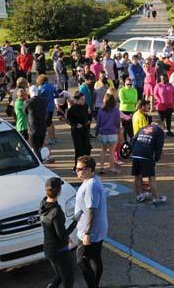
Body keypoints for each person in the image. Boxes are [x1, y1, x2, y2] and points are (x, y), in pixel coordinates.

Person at [74, 156, 108, 288]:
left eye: (79, 169)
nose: (76, 171)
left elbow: (91, 211)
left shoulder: (91, 187)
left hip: (90, 231)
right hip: (95, 229)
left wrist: (87, 233)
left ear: (88, 169)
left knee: (81, 260)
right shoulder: (90, 180)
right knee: (95, 258)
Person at [40, 177, 77, 288]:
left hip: (48, 248)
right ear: (59, 191)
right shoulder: (56, 212)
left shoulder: (43, 204)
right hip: (59, 250)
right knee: (68, 279)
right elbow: (61, 236)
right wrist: (74, 222)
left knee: (60, 276)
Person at [131, 121, 167, 205]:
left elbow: (133, 139)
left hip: (136, 153)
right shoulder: (159, 130)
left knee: (137, 176)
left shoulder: (143, 128)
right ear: (161, 126)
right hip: (147, 155)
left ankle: (139, 195)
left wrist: (134, 151)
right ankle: (156, 198)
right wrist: (157, 158)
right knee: (151, 178)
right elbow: (159, 146)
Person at [95, 93, 120, 174]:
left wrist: (96, 132)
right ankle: (111, 168)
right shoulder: (116, 111)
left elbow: (98, 123)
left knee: (103, 150)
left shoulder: (100, 110)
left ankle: (101, 167)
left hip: (103, 133)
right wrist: (118, 130)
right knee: (111, 152)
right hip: (113, 132)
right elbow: (117, 122)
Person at [66, 91, 92, 172]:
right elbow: (68, 120)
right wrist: (76, 124)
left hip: (85, 130)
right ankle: (77, 167)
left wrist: (89, 120)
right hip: (76, 132)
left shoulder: (86, 106)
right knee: (79, 150)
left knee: (87, 148)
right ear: (76, 100)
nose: (83, 101)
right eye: (81, 99)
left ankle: (86, 166)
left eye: (84, 99)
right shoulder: (72, 109)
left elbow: (89, 116)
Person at [25, 85, 49, 162]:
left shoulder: (28, 102)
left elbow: (25, 112)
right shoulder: (44, 101)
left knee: (35, 149)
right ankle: (41, 161)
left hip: (33, 129)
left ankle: (39, 163)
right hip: (42, 128)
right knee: (40, 148)